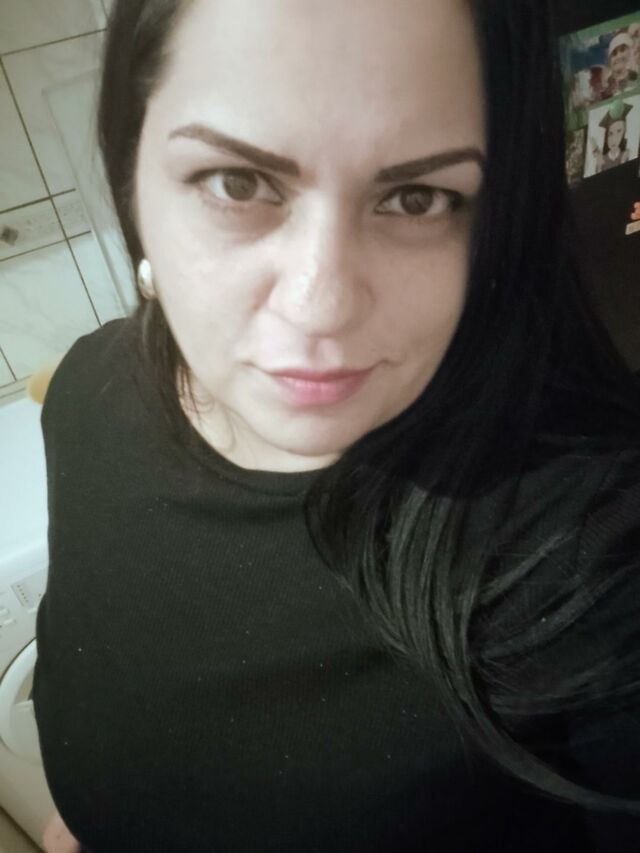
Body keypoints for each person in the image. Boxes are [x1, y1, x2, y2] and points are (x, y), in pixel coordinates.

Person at [33, 0, 640, 851]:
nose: (321, 305)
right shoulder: (86, 397)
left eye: (417, 198)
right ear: (132, 175)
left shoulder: (591, 550)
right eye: (236, 183)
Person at [591, 101, 633, 174]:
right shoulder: (602, 160)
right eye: (610, 134)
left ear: (623, 133)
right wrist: (599, 166)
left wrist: (623, 161)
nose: (614, 139)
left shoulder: (626, 156)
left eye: (619, 131)